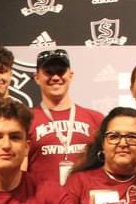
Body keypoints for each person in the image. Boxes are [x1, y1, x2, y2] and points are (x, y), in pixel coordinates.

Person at [27, 49, 104, 186]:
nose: (55, 77)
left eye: (61, 71)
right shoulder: (26, 120)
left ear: (71, 75)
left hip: (84, 203)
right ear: (37, 77)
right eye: (48, 72)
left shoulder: (96, 119)